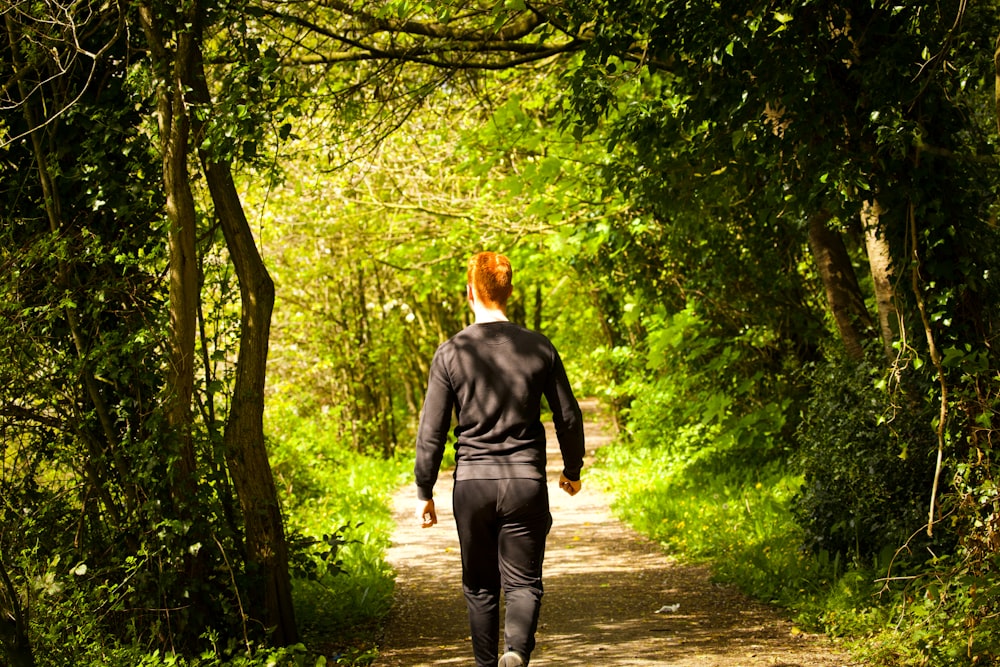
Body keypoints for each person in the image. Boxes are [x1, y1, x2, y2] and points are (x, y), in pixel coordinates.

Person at [414, 251, 585, 667]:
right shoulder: (539, 347)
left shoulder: (451, 352)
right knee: (524, 583)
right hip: (524, 481)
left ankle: (488, 664)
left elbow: (432, 429)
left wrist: (424, 488)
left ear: (470, 292)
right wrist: (572, 469)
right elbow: (567, 414)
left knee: (480, 585)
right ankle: (516, 653)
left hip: (472, 482)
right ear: (509, 292)